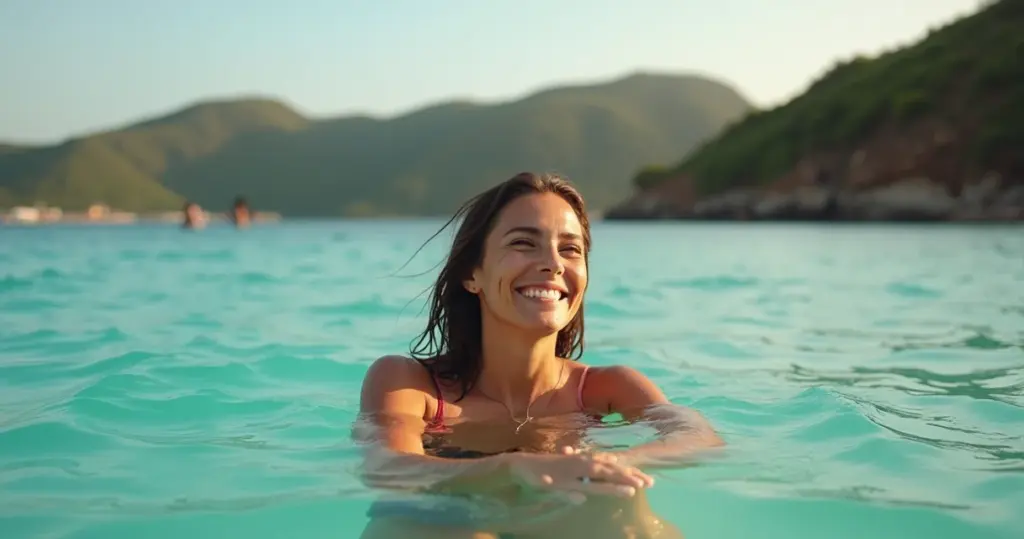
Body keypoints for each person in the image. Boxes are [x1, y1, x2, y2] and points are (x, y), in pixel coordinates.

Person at [356, 172, 724, 538]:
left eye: (570, 249)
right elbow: (388, 467)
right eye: (523, 243)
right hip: (447, 519)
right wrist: (513, 468)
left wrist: (613, 462)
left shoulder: (605, 388)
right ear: (472, 274)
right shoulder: (410, 385)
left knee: (617, 505)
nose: (554, 264)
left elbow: (698, 435)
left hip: (560, 520)